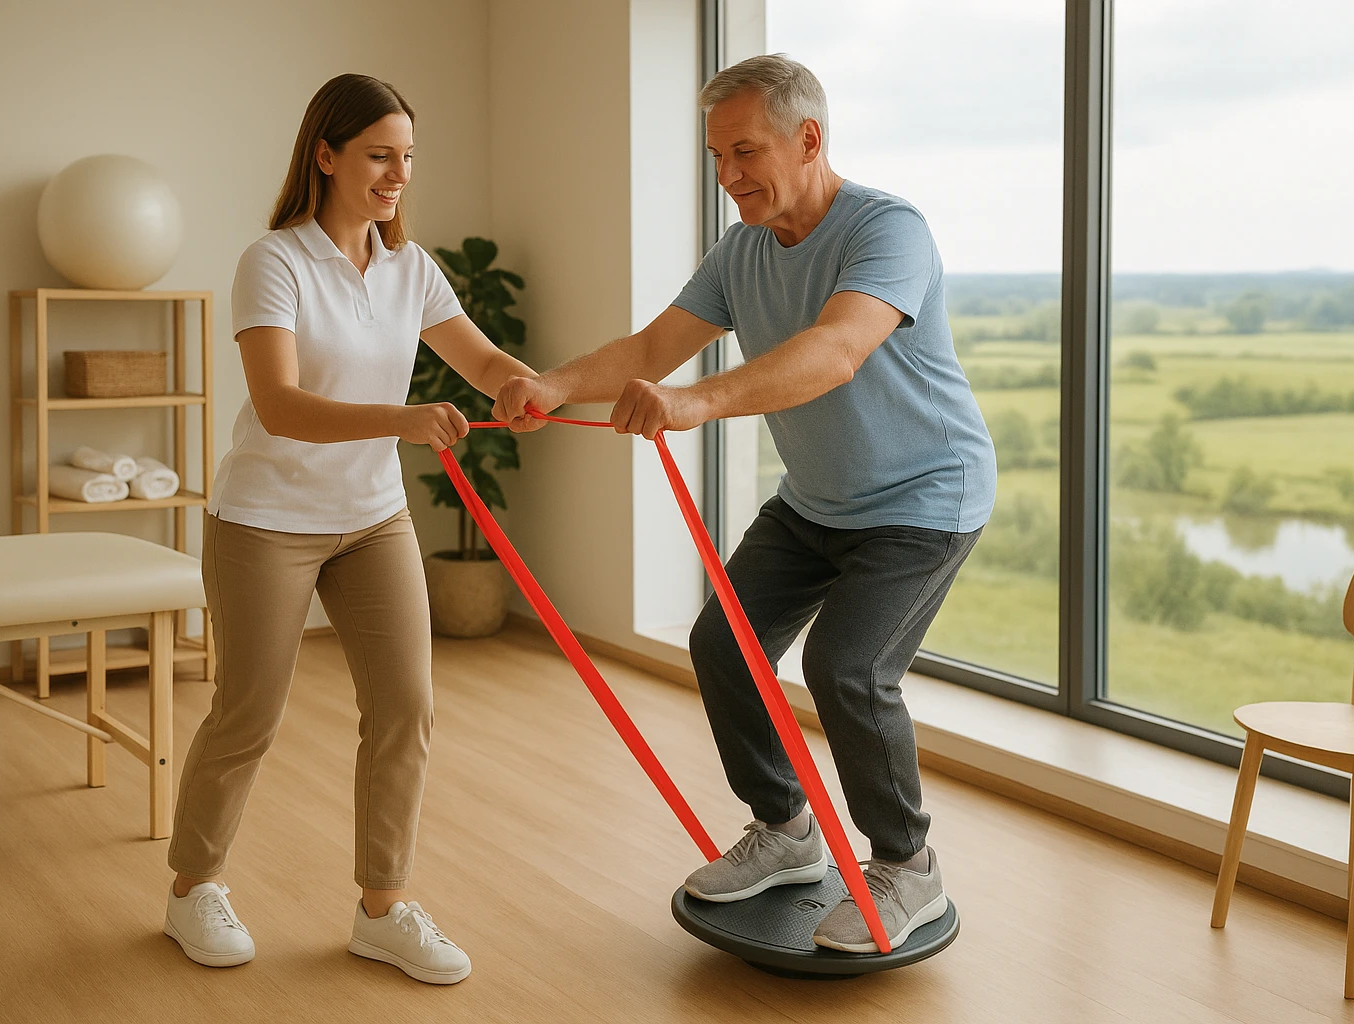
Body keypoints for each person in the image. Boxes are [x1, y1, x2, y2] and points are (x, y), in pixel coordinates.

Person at [494, 54, 995, 953]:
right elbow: (655, 342)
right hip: (820, 500)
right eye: (717, 156)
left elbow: (837, 350)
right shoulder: (743, 251)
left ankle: (907, 863)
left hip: (925, 498)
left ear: (809, 139)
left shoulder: (890, 231)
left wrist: (693, 402)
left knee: (847, 668)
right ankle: (788, 831)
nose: (728, 177)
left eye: (745, 152)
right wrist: (551, 385)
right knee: (723, 644)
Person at [164, 73, 536, 984]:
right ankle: (192, 888)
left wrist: (524, 386)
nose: (397, 174)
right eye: (379, 155)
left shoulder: (412, 268)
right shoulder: (276, 261)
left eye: (408, 157)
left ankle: (383, 905)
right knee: (249, 712)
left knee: (406, 707)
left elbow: (479, 358)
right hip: (266, 519)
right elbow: (281, 405)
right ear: (325, 155)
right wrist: (404, 420)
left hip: (371, 520)